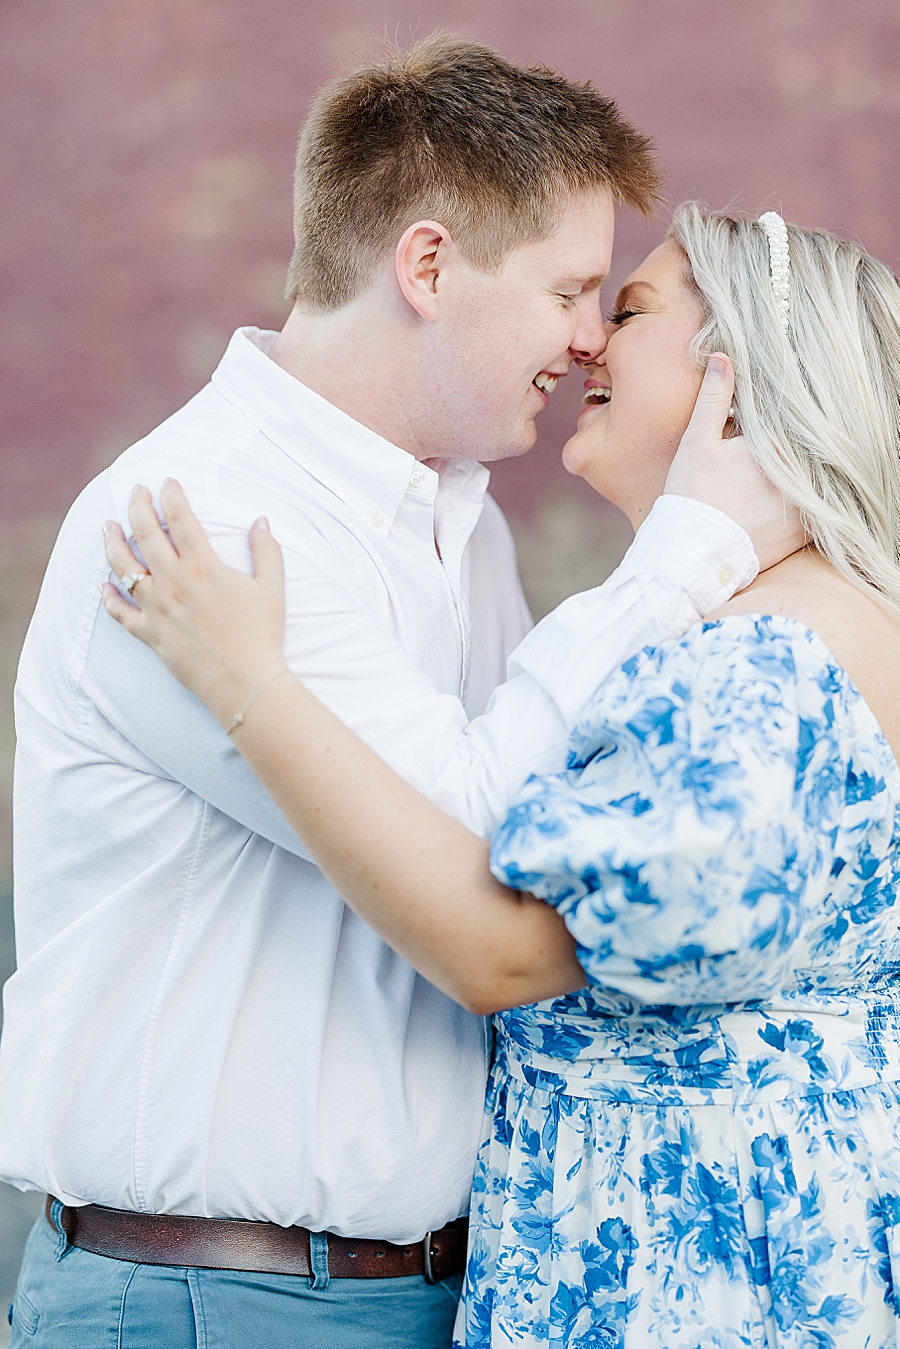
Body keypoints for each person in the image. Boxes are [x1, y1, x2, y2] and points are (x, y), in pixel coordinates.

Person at [0, 33, 798, 1349]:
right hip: (221, 1304)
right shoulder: (206, 520)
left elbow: (560, 815)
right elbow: (479, 848)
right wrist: (689, 550)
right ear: (428, 266)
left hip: (429, 1292)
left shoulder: (458, 521)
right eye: (569, 290)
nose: (592, 339)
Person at [98, 203, 900, 1349]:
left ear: (749, 379)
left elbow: (504, 946)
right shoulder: (783, 628)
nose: (589, 344)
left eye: (626, 309)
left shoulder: (763, 659)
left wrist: (251, 684)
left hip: (702, 1294)